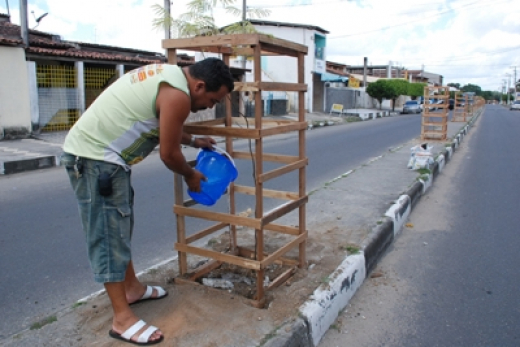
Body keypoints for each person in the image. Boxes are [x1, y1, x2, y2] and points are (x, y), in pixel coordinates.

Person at [60, 57, 234, 345]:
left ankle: (132, 289)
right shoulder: (178, 94)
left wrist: (194, 142)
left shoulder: (171, 76)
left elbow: (166, 125)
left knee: (119, 226)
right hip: (95, 160)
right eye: (212, 99)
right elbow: (168, 154)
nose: (209, 107)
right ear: (200, 85)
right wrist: (191, 175)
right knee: (107, 236)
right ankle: (122, 319)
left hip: (104, 159)